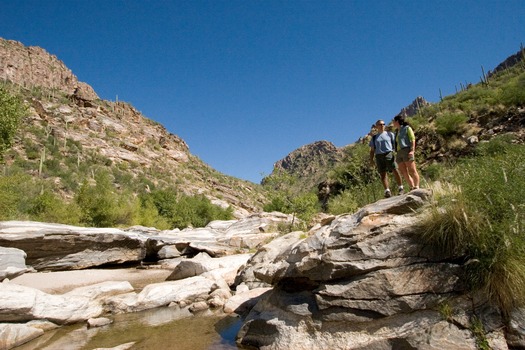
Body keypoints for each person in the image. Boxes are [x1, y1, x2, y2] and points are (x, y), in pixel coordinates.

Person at [369, 119, 404, 198]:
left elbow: (395, 144)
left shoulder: (390, 134)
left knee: (395, 169)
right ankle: (387, 191)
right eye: (380, 124)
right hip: (378, 156)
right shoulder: (374, 138)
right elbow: (372, 150)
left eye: (383, 124)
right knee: (383, 174)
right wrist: (371, 160)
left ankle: (401, 188)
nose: (382, 126)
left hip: (389, 154)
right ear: (376, 126)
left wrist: (397, 153)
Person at [392, 114, 420, 190]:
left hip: (407, 150)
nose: (393, 123)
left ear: (397, 121)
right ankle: (411, 186)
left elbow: (412, 139)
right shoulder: (396, 132)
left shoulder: (407, 128)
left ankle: (417, 186)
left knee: (412, 169)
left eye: (393, 121)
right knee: (403, 172)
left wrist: (412, 151)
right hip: (399, 152)